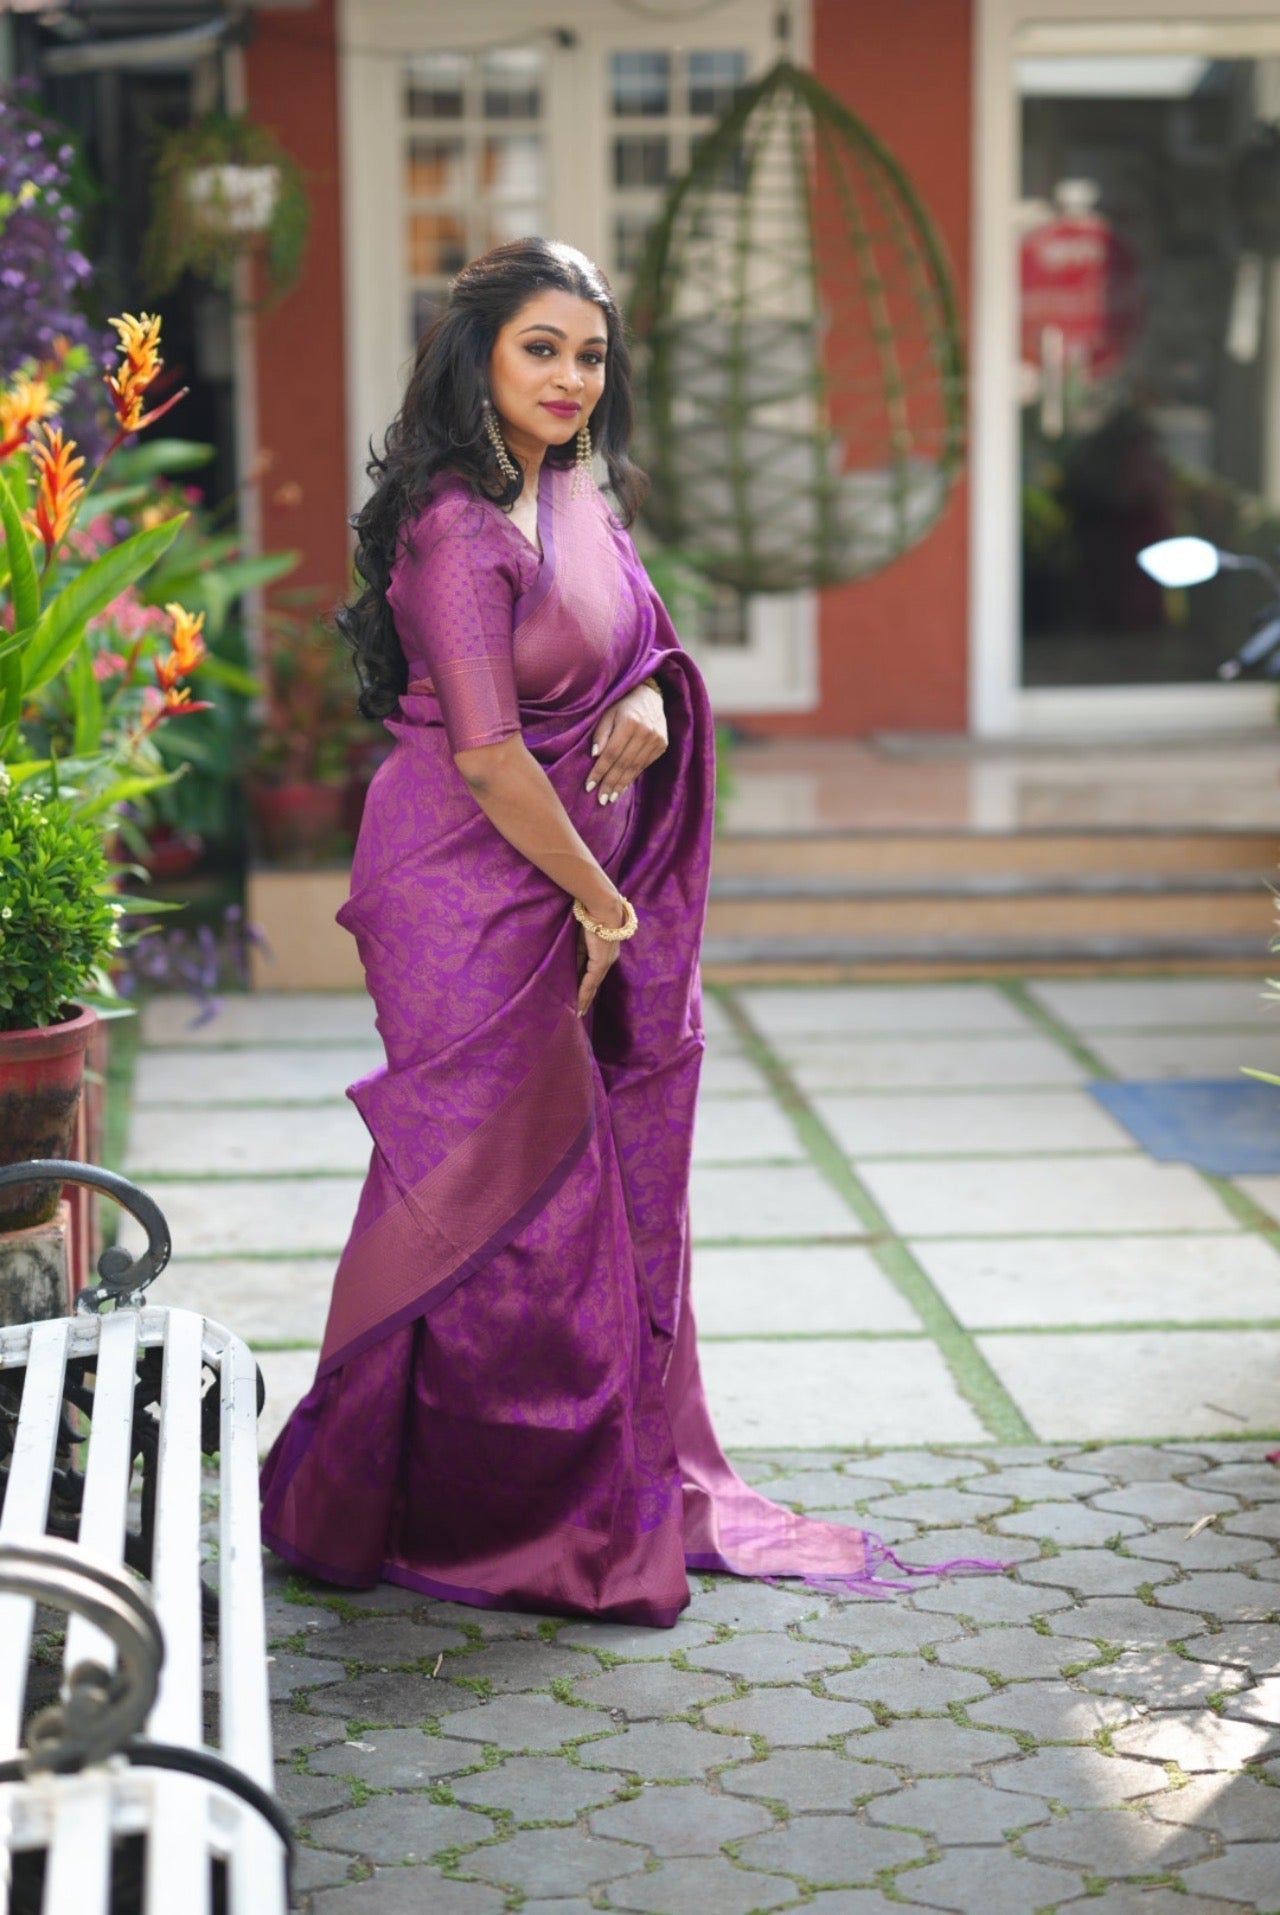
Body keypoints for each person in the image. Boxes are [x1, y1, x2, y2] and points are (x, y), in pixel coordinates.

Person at [259, 238, 998, 1624]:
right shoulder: (448, 527)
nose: (569, 378)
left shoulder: (578, 493)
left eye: (590, 355)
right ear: (477, 353)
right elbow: (486, 755)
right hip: (465, 896)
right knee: (496, 1197)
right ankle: (483, 1513)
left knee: (591, 1192)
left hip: (588, 888)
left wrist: (657, 693)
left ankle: (553, 1485)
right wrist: (604, 902)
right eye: (541, 347)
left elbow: (632, 639)